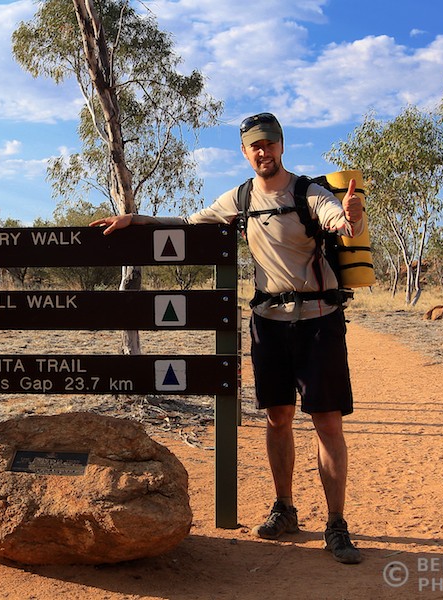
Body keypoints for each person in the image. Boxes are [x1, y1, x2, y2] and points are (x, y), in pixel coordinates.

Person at [91, 112, 364, 564]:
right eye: (255, 146)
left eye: (270, 143)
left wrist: (348, 217)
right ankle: (285, 509)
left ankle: (336, 524)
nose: (263, 152)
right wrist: (134, 219)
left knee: (327, 423)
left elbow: (337, 220)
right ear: (245, 152)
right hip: (269, 323)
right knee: (278, 418)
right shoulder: (240, 197)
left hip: (319, 321)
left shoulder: (307, 192)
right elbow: (188, 222)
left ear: (281, 145)